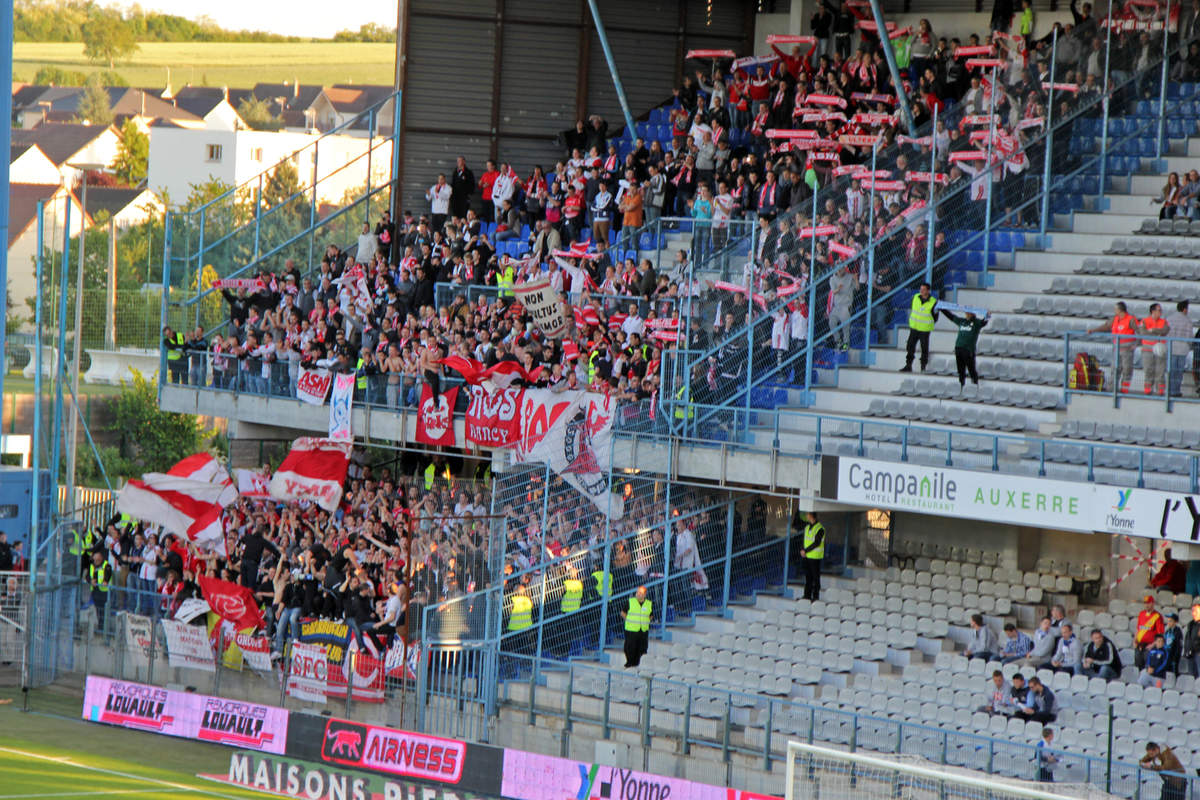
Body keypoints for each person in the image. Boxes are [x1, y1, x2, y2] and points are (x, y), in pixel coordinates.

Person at [1088, 302, 1139, 393]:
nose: (1114, 311)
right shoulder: (1115, 319)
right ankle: (1111, 389)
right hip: (1116, 348)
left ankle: (1124, 389)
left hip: (1127, 349)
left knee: (1127, 369)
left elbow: (1139, 331)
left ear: (1120, 310)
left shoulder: (1131, 319)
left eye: (1115, 309)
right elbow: (1106, 326)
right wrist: (1093, 330)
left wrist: (1136, 344)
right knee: (1114, 369)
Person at [939, 307, 989, 389]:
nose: (967, 315)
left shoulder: (976, 323)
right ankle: (961, 386)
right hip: (959, 348)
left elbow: (984, 322)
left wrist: (988, 315)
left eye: (969, 313)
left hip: (968, 350)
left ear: (973, 314)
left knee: (971, 370)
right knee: (961, 371)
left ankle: (975, 386)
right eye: (966, 313)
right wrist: (942, 308)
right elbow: (951, 316)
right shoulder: (962, 321)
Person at [899, 283, 938, 373]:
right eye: (921, 289)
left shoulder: (933, 302)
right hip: (914, 327)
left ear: (928, 291)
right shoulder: (916, 297)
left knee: (924, 348)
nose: (921, 291)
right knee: (910, 346)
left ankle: (923, 367)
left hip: (924, 329)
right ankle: (908, 365)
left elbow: (935, 317)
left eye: (924, 289)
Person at [1139, 303, 1169, 395]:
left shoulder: (1164, 321)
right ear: (1153, 311)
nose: (1160, 312)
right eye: (1159, 310)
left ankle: (1160, 390)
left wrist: (1153, 330)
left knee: (1160, 371)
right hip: (1147, 350)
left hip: (1160, 351)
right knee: (1148, 370)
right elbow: (1143, 332)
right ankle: (1148, 389)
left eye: (1161, 310)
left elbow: (1165, 331)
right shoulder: (1144, 321)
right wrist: (1157, 332)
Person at [620, 585, 653, 668]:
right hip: (631, 629)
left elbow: (651, 615)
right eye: (637, 592)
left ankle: (638, 664)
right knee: (629, 647)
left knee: (642, 648)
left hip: (643, 630)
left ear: (645, 595)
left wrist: (646, 621)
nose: (638, 594)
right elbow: (623, 613)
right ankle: (630, 663)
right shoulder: (630, 602)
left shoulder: (649, 603)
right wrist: (629, 620)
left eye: (640, 593)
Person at [1165, 301, 1193, 397]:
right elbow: (1190, 336)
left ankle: (1169, 390)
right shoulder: (1187, 320)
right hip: (1183, 349)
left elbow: (1166, 333)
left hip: (1172, 347)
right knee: (1179, 371)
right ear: (1184, 309)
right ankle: (1176, 390)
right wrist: (1189, 346)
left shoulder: (1169, 319)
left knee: (1171, 370)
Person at [798, 511, 825, 601]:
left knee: (815, 577)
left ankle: (815, 596)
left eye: (808, 514)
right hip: (807, 556)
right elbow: (804, 540)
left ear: (811, 516)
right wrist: (802, 549)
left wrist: (805, 550)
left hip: (815, 557)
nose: (806, 516)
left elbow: (817, 543)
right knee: (808, 577)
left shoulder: (820, 528)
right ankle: (807, 595)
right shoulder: (807, 527)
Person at [1135, 595, 1165, 668]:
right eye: (1145, 603)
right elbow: (1138, 629)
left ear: (1153, 603)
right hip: (1139, 645)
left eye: (1148, 603)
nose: (1146, 605)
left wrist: (1152, 645)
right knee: (1138, 665)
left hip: (1150, 646)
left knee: (1148, 666)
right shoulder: (1141, 614)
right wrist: (1134, 641)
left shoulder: (1157, 616)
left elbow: (1160, 634)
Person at [87, 549, 112, 635]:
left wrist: (105, 580)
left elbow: (108, 574)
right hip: (95, 592)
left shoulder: (107, 565)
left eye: (97, 560)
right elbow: (87, 576)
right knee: (98, 611)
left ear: (101, 558)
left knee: (104, 611)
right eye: (95, 560)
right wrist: (90, 580)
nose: (96, 561)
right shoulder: (91, 565)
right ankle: (100, 628)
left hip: (104, 593)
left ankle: (104, 629)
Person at [1183, 603, 1200, 677]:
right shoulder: (1191, 624)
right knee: (1192, 676)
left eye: (1196, 611)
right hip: (1190, 653)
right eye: (1192, 611)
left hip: (1198, 653)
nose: (1193, 613)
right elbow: (1188, 638)